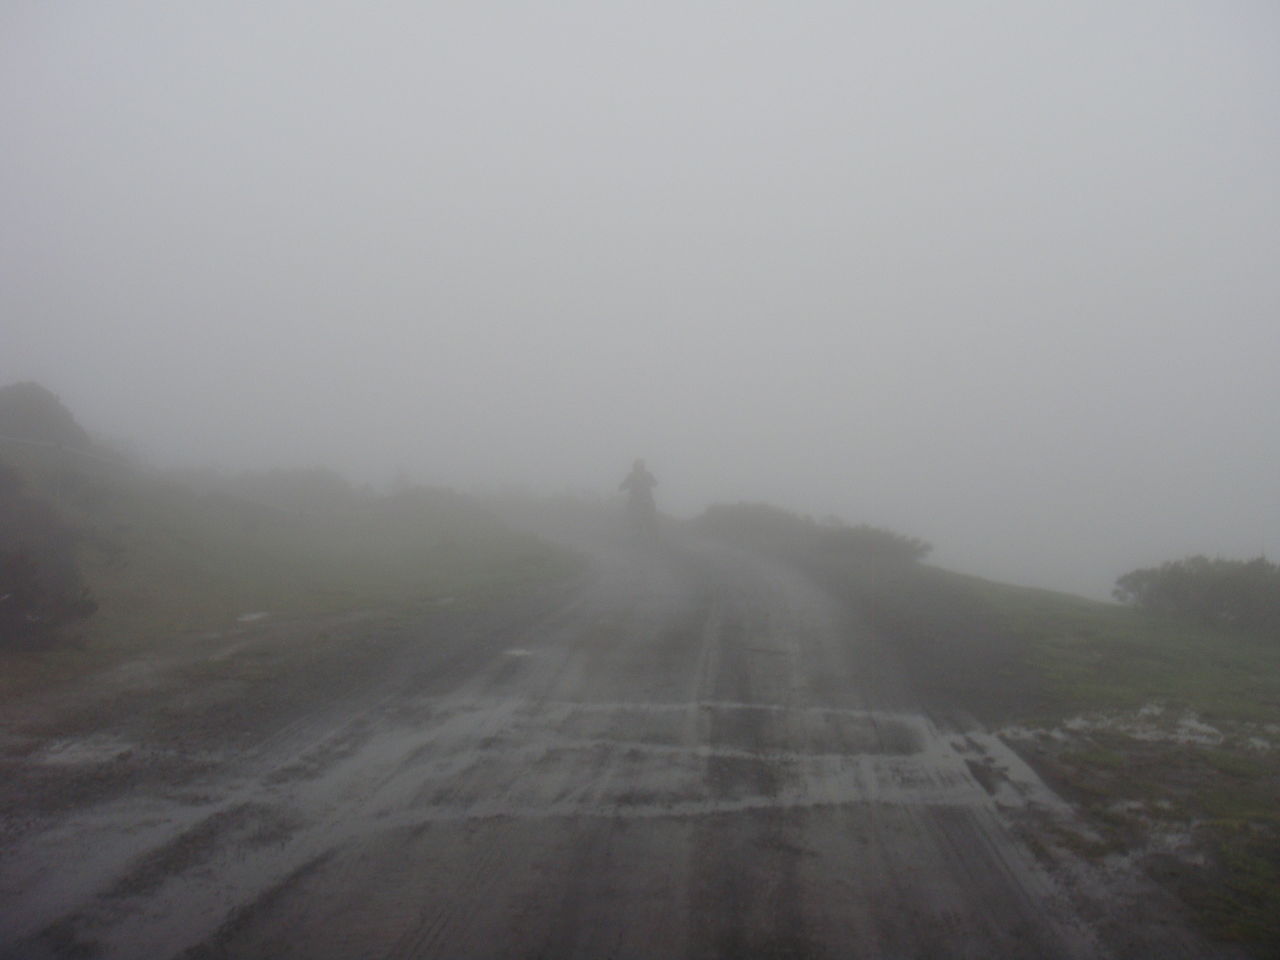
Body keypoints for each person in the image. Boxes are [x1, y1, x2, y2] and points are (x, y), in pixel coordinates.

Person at [619, 458, 657, 533]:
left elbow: (623, 486)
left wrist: (622, 486)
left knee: (638, 520)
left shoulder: (633, 475)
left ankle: (640, 534)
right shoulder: (645, 474)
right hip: (644, 501)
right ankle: (644, 534)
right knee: (646, 520)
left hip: (639, 501)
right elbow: (655, 483)